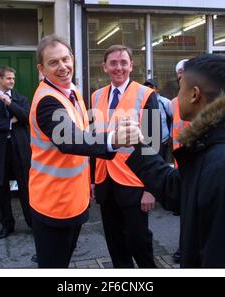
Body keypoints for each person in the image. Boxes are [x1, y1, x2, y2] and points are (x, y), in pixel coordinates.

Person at [117, 53, 225, 267]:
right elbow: (178, 190)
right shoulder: (214, 142)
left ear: (195, 94)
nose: (177, 98)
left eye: (180, 88)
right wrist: (139, 147)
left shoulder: (224, 163)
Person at [29, 35, 117, 268]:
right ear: (41, 68)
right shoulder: (48, 101)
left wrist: (89, 180)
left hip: (73, 198)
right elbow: (70, 140)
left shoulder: (71, 91)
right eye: (53, 62)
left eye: (65, 59)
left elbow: (81, 138)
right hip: (53, 204)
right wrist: (112, 140)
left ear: (73, 59)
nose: (63, 67)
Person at [91, 45, 160, 268]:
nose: (118, 67)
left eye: (123, 62)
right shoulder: (96, 96)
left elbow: (153, 143)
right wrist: (92, 180)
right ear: (105, 67)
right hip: (105, 182)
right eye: (113, 63)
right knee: (115, 244)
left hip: (134, 182)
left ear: (131, 65)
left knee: (139, 242)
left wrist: (151, 189)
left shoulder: (146, 94)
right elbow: (93, 141)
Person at [0, 66, 33, 239]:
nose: (12, 81)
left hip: (19, 150)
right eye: (8, 78)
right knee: (1, 190)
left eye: (13, 79)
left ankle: (33, 224)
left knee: (26, 188)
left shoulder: (20, 98)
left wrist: (10, 104)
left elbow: (26, 117)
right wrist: (9, 123)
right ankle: (7, 225)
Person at [170, 59, 191, 264]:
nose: (182, 77)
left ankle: (186, 247)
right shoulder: (174, 102)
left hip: (195, 165)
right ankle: (184, 246)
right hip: (180, 166)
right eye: (180, 75)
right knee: (184, 211)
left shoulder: (199, 98)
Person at [143, 78, 172, 160]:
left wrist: (171, 136)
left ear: (157, 89)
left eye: (151, 87)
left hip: (163, 141)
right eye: (146, 88)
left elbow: (174, 117)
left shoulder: (165, 102)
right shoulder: (142, 102)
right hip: (148, 142)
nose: (148, 90)